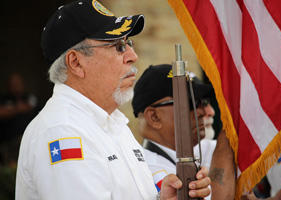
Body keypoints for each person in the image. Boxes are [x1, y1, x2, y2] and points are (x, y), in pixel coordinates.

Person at [15, 0, 211, 199]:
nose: (132, 56)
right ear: (76, 63)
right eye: (118, 46)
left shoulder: (110, 124)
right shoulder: (63, 131)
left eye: (128, 43)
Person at [132, 64, 216, 194]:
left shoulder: (199, 148)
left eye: (202, 102)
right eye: (189, 103)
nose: (202, 111)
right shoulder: (146, 171)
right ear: (154, 117)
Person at [0, 72, 40, 165]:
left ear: (23, 84)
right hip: (10, 145)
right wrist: (18, 109)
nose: (15, 87)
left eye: (17, 84)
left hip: (30, 144)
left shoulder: (30, 98)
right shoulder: (4, 99)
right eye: (13, 85)